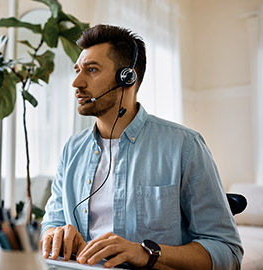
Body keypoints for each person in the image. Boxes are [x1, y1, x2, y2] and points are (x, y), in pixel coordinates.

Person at [40, 24, 243, 270]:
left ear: (128, 77)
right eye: (77, 70)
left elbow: (227, 252)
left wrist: (146, 253)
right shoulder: (71, 150)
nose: (76, 82)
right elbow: (51, 223)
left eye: (91, 70)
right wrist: (54, 235)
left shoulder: (184, 146)